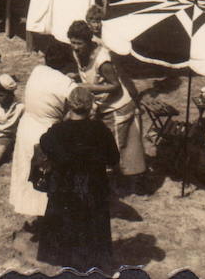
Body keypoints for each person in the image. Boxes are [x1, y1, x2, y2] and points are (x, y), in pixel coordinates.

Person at [36, 85, 120, 271]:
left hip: (65, 189)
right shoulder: (99, 129)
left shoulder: (57, 131)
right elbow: (114, 158)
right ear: (91, 106)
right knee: (92, 229)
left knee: (68, 228)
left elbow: (44, 143)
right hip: (93, 188)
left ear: (68, 105)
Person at [66, 20, 145, 187]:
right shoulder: (78, 53)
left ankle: (116, 189)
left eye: (79, 43)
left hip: (118, 108)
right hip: (103, 107)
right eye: (72, 42)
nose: (75, 47)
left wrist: (88, 87)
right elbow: (88, 74)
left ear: (89, 42)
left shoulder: (103, 60)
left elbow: (115, 86)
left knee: (113, 149)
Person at [9, 41, 78, 218]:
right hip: (46, 132)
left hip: (27, 126)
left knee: (26, 171)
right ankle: (46, 215)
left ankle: (29, 211)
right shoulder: (66, 84)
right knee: (47, 175)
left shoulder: (37, 71)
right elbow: (82, 106)